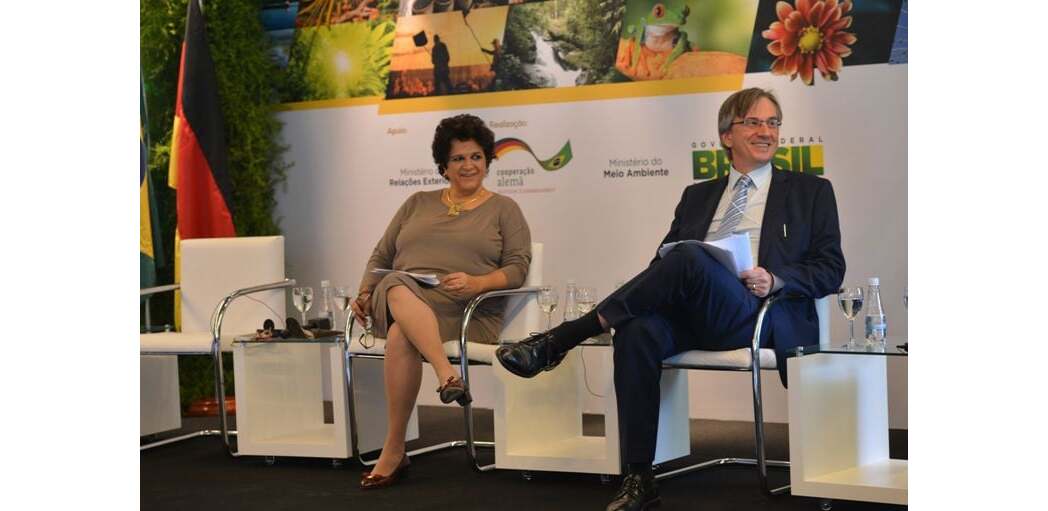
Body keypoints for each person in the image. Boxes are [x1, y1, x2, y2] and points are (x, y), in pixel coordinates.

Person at [495, 88, 844, 511]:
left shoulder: (810, 191)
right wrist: (685, 264)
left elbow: (831, 268)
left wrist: (775, 279)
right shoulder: (697, 195)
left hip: (756, 313)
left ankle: (563, 338)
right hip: (693, 312)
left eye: (773, 123)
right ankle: (639, 476)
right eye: (753, 122)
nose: (766, 131)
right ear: (727, 135)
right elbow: (663, 266)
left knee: (691, 255)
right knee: (637, 329)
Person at [353, 113, 532, 489]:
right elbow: (381, 257)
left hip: (466, 311)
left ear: (487, 161)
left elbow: (517, 268)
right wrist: (366, 293)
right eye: (458, 158)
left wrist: (477, 282)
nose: (468, 165)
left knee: (402, 333)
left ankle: (394, 449)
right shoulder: (417, 202)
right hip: (404, 296)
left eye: (476, 157)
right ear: (443, 166)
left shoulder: (504, 209)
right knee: (397, 282)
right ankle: (447, 374)